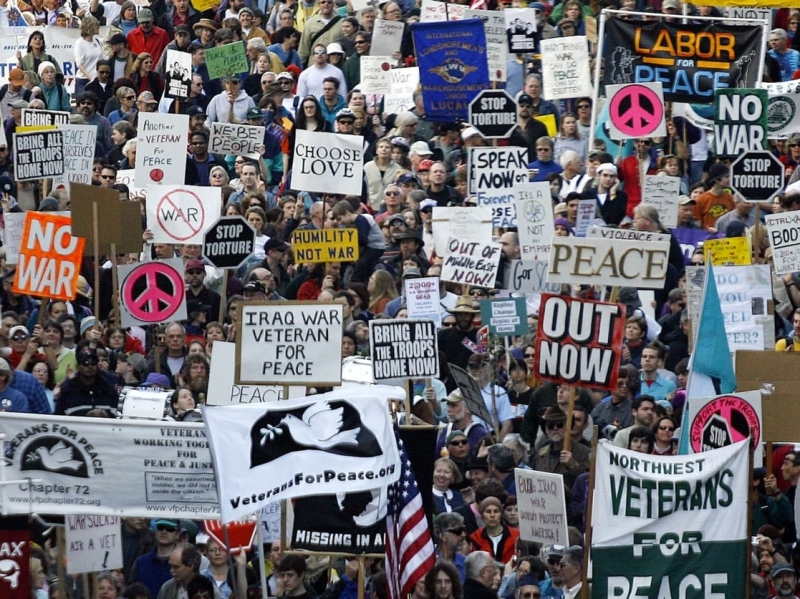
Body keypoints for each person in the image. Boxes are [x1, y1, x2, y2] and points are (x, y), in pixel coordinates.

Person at [531, 406, 590, 497]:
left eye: (559, 424)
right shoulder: (540, 454)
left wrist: (574, 466)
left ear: (568, 426)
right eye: (550, 426)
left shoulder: (584, 452)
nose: (555, 428)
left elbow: (589, 483)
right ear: (546, 430)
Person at [56, 346, 120, 417]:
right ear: (78, 366)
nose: (90, 366)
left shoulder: (108, 389)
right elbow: (58, 419)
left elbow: (115, 418)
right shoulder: (67, 391)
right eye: (85, 363)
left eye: (93, 362)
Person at [130, 519, 182, 598]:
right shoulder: (140, 562)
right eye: (160, 527)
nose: (164, 532)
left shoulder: (182, 564)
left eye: (169, 528)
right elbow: (130, 591)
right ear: (155, 531)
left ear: (177, 534)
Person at [469, 497, 519, 563]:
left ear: (501, 514)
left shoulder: (517, 535)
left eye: (496, 511)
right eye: (488, 511)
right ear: (482, 515)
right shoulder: (475, 538)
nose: (492, 515)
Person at [433, 513, 468, 583]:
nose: (463, 535)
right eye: (458, 531)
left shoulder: (466, 563)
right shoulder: (428, 561)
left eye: (464, 529)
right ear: (442, 535)